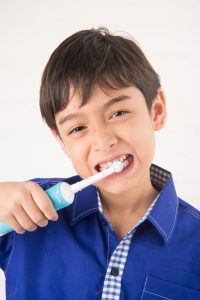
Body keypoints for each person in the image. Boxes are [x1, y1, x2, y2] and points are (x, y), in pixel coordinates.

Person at [0, 27, 200, 300]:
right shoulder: (24, 214)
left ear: (156, 111)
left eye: (118, 112)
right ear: (61, 141)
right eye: (77, 128)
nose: (103, 141)